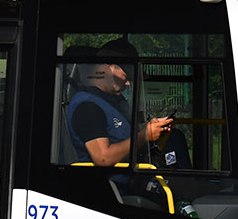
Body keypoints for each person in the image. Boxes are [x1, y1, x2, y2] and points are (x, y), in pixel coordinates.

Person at [65, 39, 173, 168]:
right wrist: (144, 136)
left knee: (175, 139)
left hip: (133, 177)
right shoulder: (87, 106)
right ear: (106, 67)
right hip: (111, 185)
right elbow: (103, 158)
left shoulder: (115, 101)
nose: (128, 83)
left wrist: (151, 129)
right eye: (126, 76)